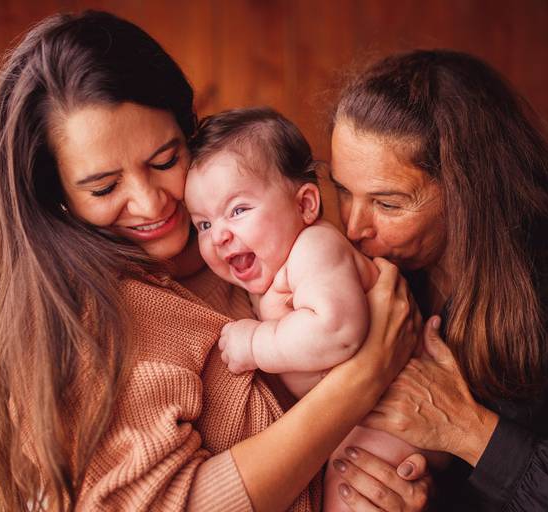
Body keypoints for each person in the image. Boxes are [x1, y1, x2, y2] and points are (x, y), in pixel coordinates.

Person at [0, 12, 432, 512]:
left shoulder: (252, 235)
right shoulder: (89, 318)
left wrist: (393, 477)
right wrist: (361, 381)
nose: (151, 205)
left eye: (166, 160)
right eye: (105, 188)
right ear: (57, 196)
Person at [328, 49, 548, 511]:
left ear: (468, 191)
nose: (355, 227)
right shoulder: (382, 279)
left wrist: (466, 429)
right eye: (343, 192)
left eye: (388, 204)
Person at [184, 107, 434, 512]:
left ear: (304, 205)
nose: (220, 235)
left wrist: (256, 342)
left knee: (353, 486)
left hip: (395, 416)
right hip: (360, 417)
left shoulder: (314, 248)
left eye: (238, 210)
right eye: (203, 224)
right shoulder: (269, 268)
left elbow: (336, 332)